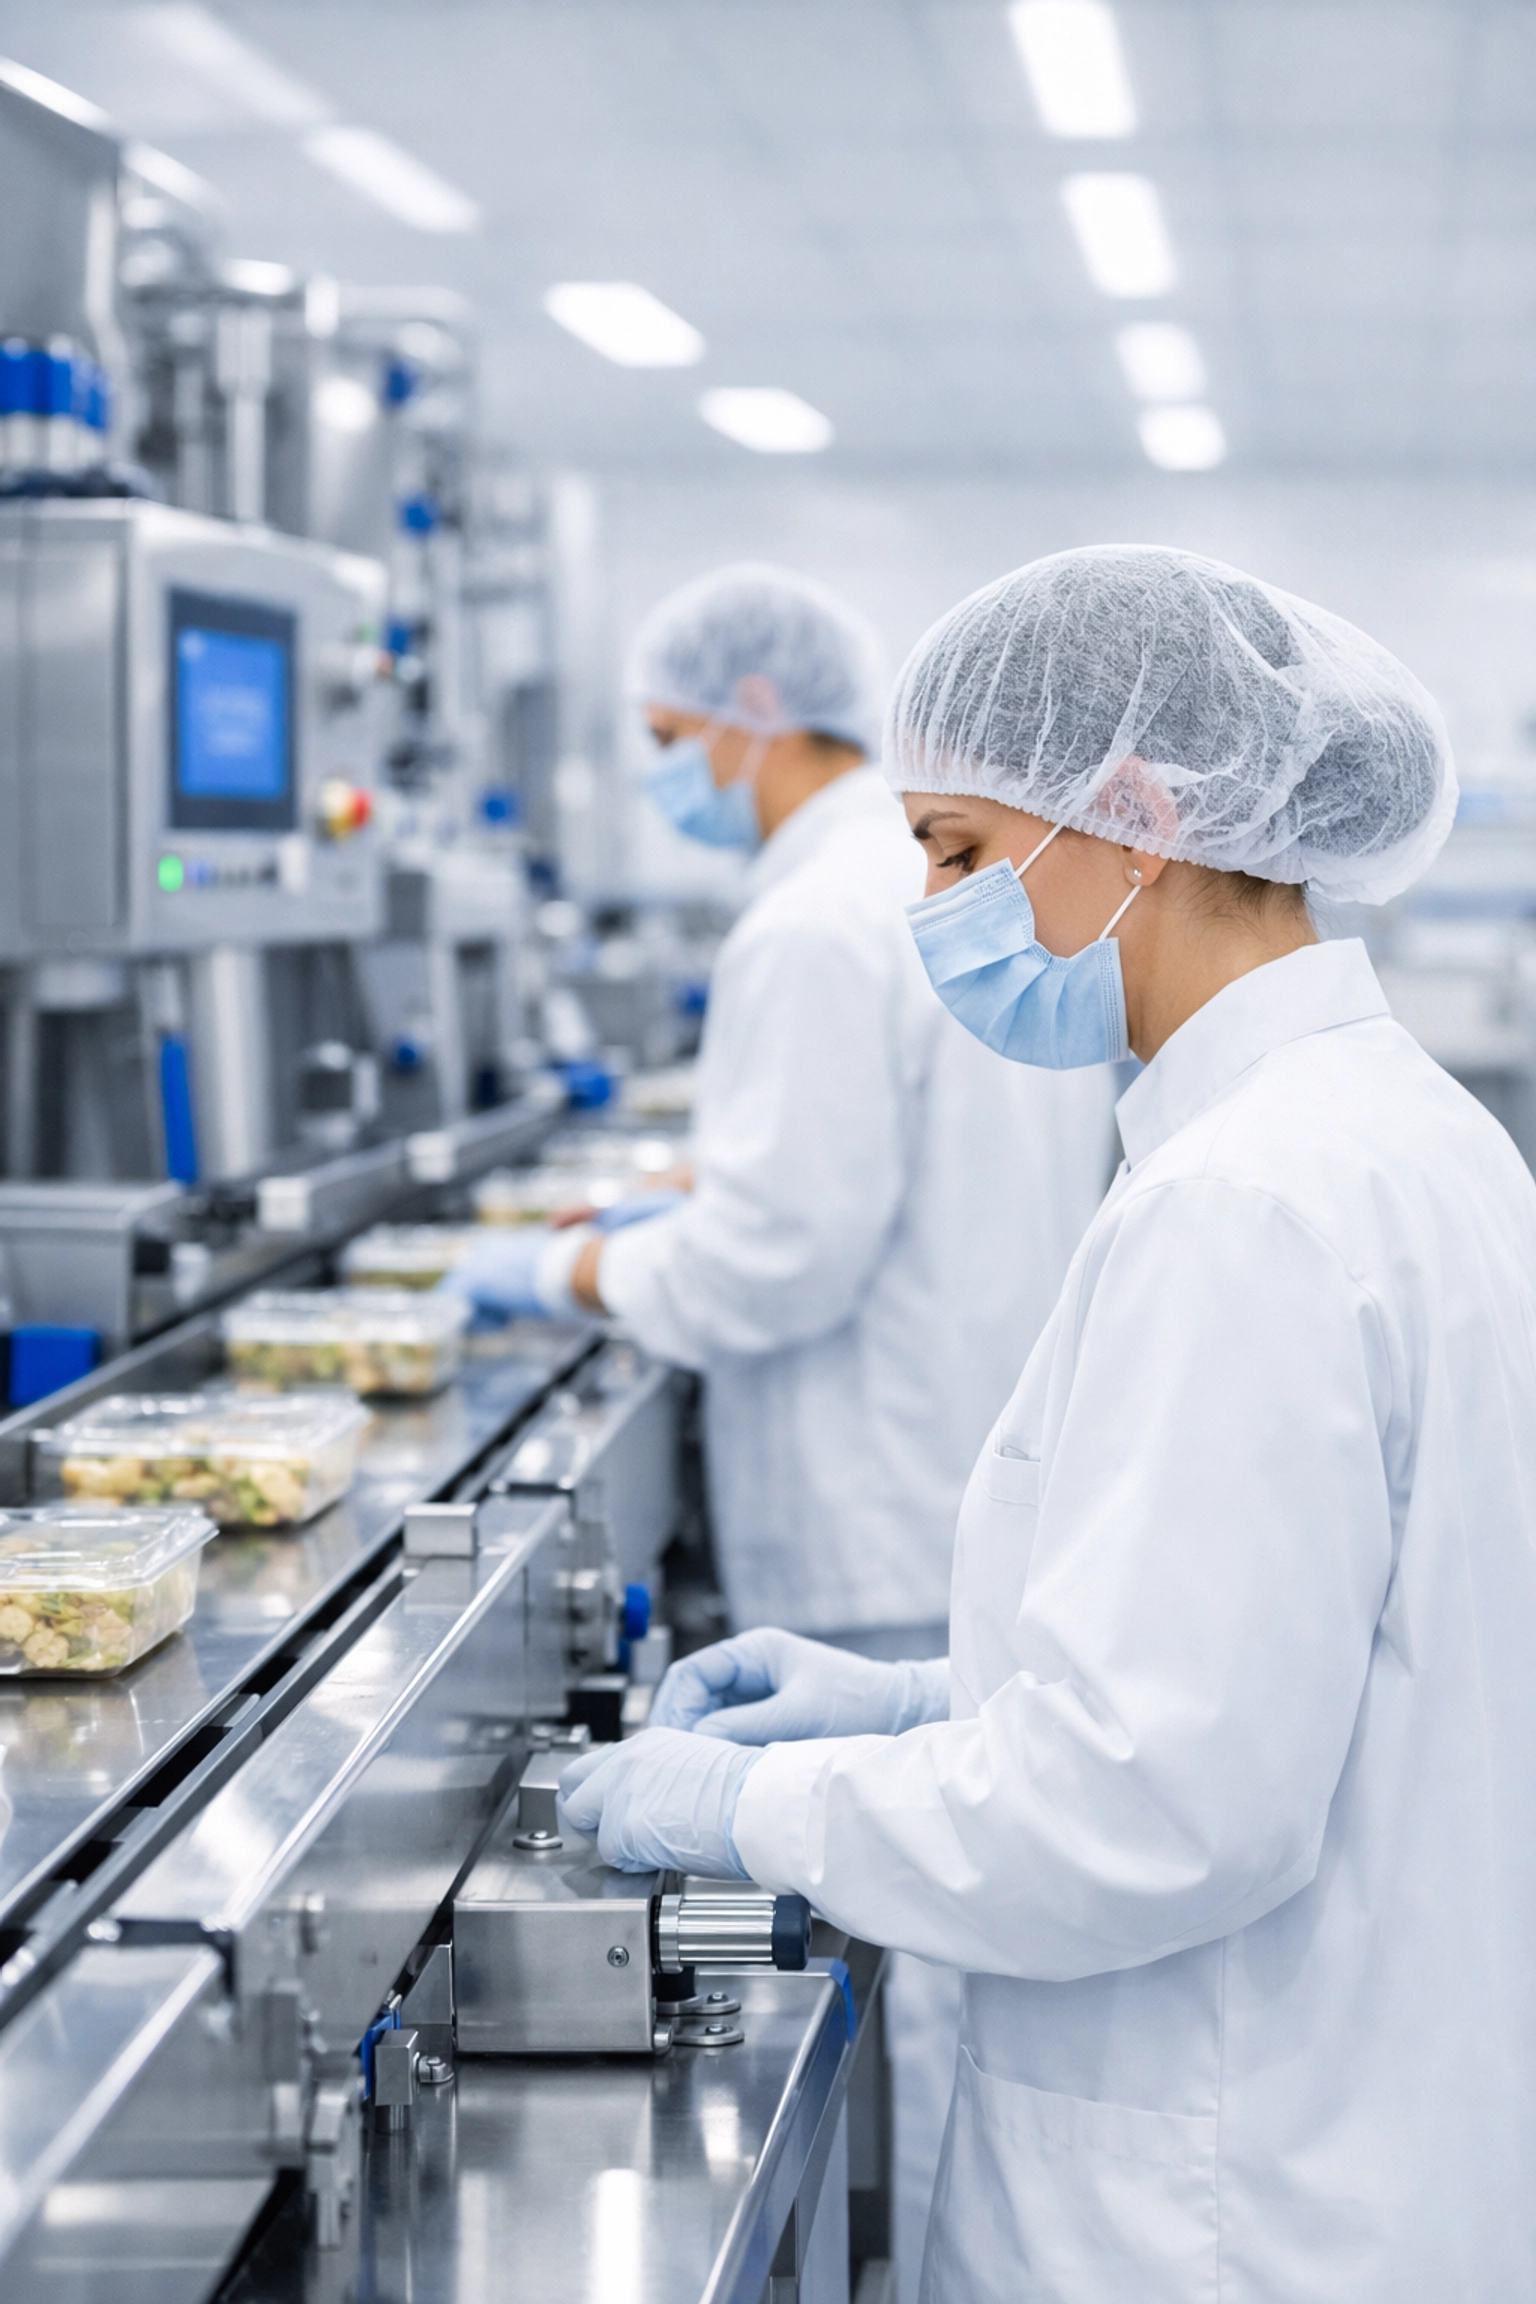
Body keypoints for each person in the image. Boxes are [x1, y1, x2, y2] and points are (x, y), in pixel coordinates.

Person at [560, 543, 1536, 2303]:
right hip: (1369, 2134)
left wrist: (750, 1810)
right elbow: (1303, 1678)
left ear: (1138, 813)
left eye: (957, 849)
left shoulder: (1247, 1208)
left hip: (1223, 2208)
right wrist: (933, 1700)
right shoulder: (1404, 1137)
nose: (933, 903)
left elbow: (1149, 1809)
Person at [449, 562, 1120, 2294]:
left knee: (948, 1965)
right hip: (950, 1455)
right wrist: (688, 1195)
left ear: (754, 719)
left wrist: (576, 1267)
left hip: (878, 1490)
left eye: (672, 740)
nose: (670, 774)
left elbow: (777, 1259)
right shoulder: (894, 887)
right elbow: (821, 1179)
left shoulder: (812, 917)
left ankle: (923, 2265)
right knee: (966, 1952)